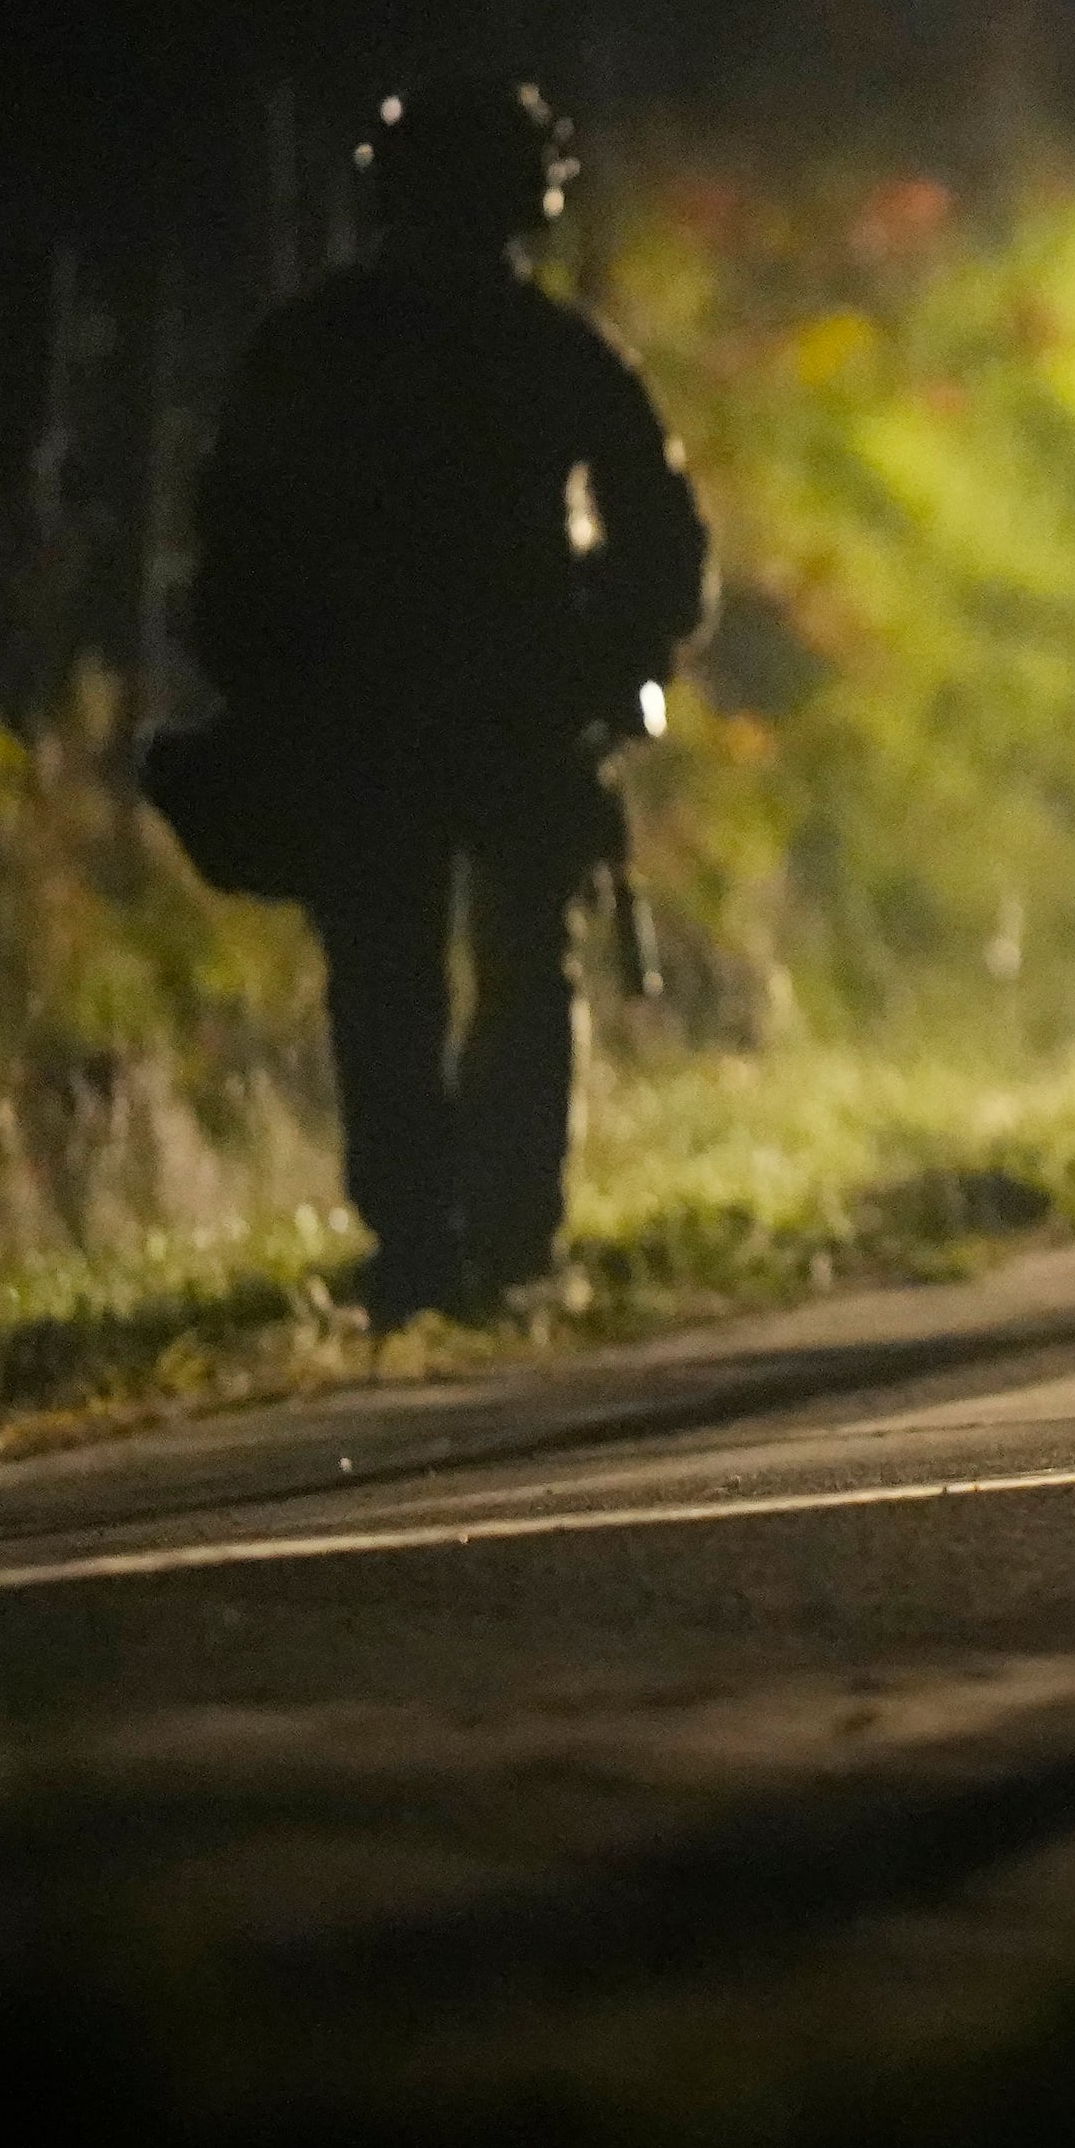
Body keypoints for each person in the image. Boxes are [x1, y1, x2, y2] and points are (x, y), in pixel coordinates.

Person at [188, 79, 710, 1326]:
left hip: (386, 712)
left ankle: (426, 1239)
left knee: (393, 976)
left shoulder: (312, 346)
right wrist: (622, 655)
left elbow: (230, 538)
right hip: (502, 711)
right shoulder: (550, 350)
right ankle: (498, 1239)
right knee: (517, 971)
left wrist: (265, 682)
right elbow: (661, 537)